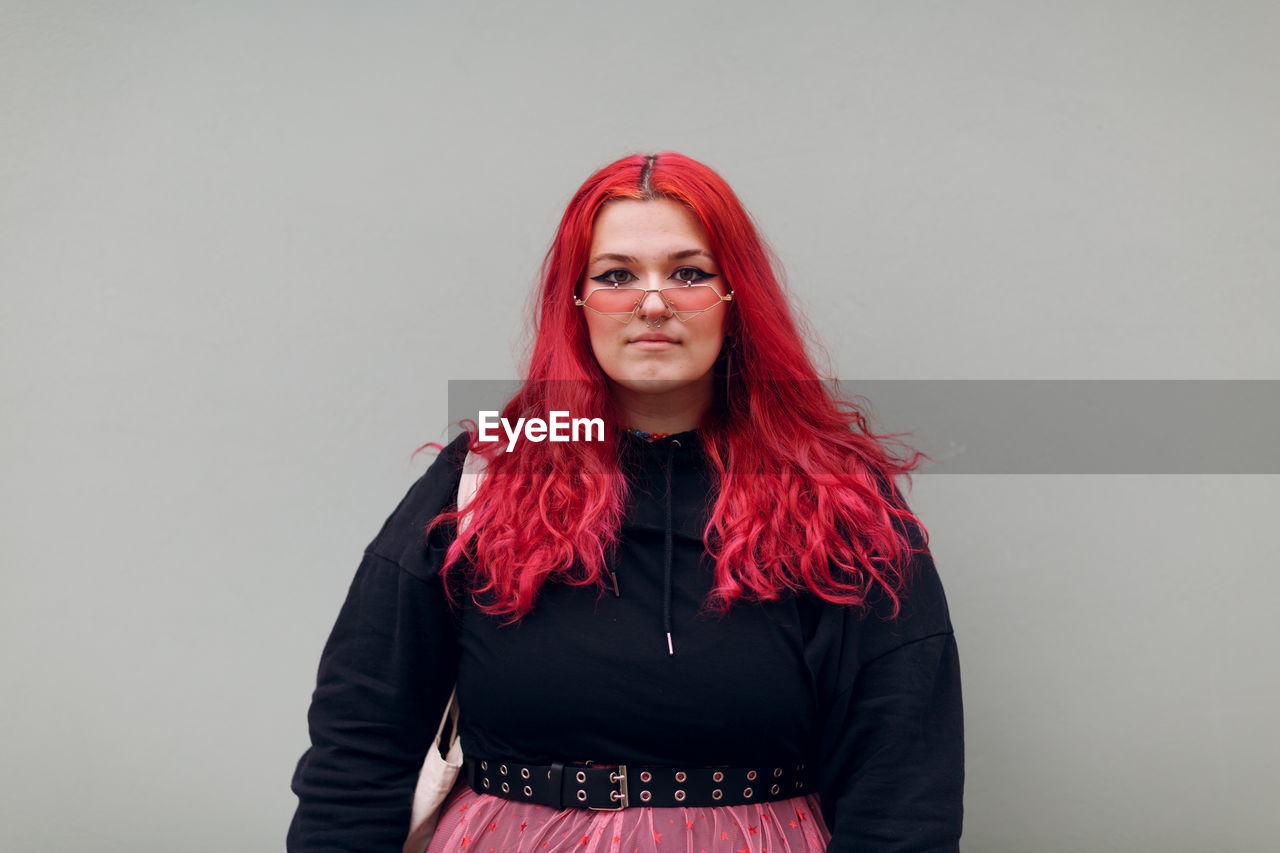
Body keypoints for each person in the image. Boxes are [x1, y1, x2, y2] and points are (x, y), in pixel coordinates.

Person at [287, 152, 964, 853]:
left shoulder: (835, 492)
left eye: (688, 273)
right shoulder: (488, 473)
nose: (652, 303)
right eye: (616, 275)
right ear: (575, 300)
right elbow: (360, 736)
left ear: (737, 296)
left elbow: (905, 772)